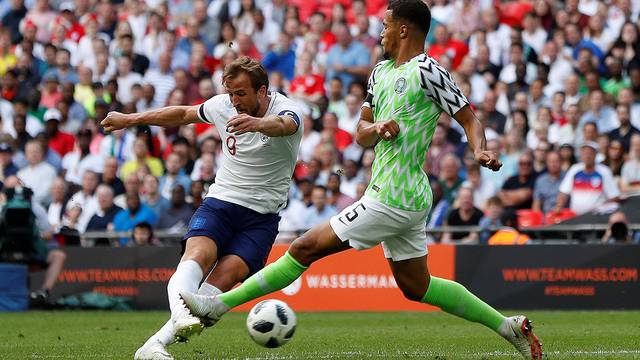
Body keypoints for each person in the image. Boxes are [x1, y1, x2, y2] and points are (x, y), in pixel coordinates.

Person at [180, 3, 542, 359]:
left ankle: (216, 305)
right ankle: (509, 326)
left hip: (395, 195)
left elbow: (469, 119)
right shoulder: (379, 72)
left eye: (385, 25)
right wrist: (377, 128)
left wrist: (479, 150)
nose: (380, 31)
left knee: (304, 248)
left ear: (403, 29)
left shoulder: (429, 71)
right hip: (397, 194)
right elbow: (360, 134)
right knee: (416, 286)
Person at [101, 56, 303, 360]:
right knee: (197, 255)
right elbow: (183, 113)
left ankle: (152, 346)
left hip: (262, 217)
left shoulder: (286, 109)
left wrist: (257, 123)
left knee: (219, 286)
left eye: (241, 94)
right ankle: (171, 326)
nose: (234, 101)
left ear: (262, 91)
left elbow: (285, 125)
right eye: (231, 93)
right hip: (221, 202)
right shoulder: (223, 105)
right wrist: (130, 119)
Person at [554, 141, 620, 216]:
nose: (587, 156)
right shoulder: (575, 169)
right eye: (585, 153)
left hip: (597, 217)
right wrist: (559, 206)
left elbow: (614, 197)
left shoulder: (604, 171)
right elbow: (564, 192)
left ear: (595, 155)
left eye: (590, 153)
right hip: (575, 217)